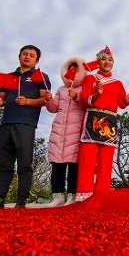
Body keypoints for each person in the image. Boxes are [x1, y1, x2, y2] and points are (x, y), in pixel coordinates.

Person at [0, 45, 51, 208]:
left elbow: (45, 100)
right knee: (4, 164)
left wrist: (28, 101)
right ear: (19, 56)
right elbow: (1, 98)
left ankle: (21, 200)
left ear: (36, 60)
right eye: (25, 54)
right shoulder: (9, 76)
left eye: (32, 55)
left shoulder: (40, 76)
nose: (27, 57)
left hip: (26, 124)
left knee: (24, 164)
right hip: (6, 123)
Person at [75, 47, 129, 200]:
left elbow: (122, 103)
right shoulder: (90, 78)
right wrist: (97, 94)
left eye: (110, 59)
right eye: (103, 59)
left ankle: (102, 194)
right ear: (98, 61)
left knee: (106, 159)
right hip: (93, 118)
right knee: (87, 158)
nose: (107, 62)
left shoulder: (117, 82)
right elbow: (85, 100)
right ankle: (84, 194)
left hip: (110, 120)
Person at [39, 57, 86, 207]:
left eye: (76, 69)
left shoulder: (84, 88)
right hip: (59, 130)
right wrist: (48, 99)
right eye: (70, 69)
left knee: (74, 166)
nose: (73, 72)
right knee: (57, 165)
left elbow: (87, 105)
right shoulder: (61, 89)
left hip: (76, 131)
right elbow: (53, 108)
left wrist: (77, 97)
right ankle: (57, 196)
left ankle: (72, 196)